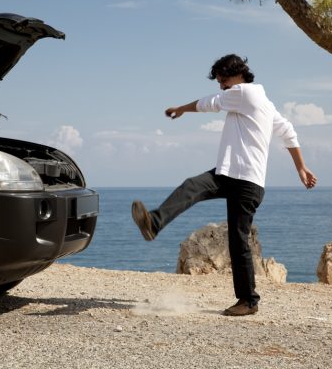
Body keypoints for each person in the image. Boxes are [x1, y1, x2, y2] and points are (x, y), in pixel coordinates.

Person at [131, 54, 317, 316]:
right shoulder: (263, 102)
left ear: (239, 75)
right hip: (227, 173)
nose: (221, 85)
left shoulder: (244, 93)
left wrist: (182, 108)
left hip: (247, 181)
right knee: (192, 186)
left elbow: (210, 103)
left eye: (223, 80)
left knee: (238, 241)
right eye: (219, 81)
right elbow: (287, 131)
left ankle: (249, 301)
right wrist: (301, 166)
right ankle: (153, 222)